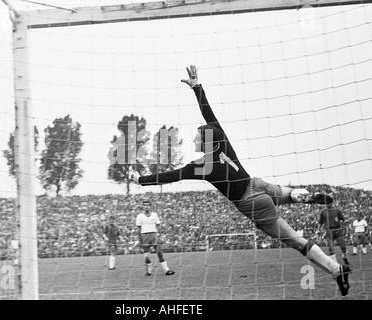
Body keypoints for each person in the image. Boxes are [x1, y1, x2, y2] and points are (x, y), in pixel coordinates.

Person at [131, 65, 350, 295]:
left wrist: (140, 180)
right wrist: (197, 87)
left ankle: (336, 270)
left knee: (295, 240)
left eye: (197, 138)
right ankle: (301, 196)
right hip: (257, 183)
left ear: (206, 143)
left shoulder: (201, 167)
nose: (194, 140)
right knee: (285, 194)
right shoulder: (222, 141)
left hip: (250, 202)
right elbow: (208, 113)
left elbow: (170, 176)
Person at [135, 200, 175, 276]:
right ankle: (149, 271)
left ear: (150, 206)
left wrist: (159, 235)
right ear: (143, 207)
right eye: (144, 205)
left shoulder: (154, 215)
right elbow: (139, 229)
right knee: (146, 256)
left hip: (154, 235)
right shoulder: (139, 216)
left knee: (159, 253)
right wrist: (140, 241)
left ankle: (166, 270)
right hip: (144, 236)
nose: (146, 206)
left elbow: (158, 225)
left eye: (148, 205)